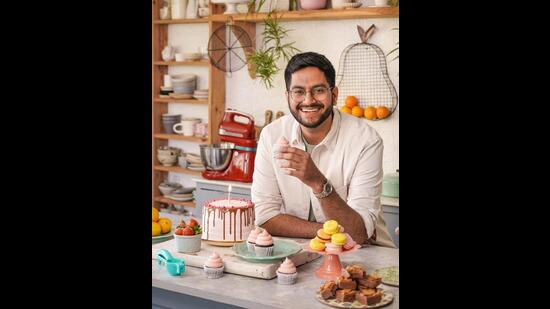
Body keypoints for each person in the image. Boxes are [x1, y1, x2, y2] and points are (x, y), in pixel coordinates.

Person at [251, 52, 395, 248]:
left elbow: (358, 233)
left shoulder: (365, 141)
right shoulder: (271, 136)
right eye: (299, 92)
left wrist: (318, 182)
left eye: (318, 90)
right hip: (299, 250)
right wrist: (328, 232)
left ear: (334, 95)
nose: (308, 100)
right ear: (288, 96)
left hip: (365, 253)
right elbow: (265, 217)